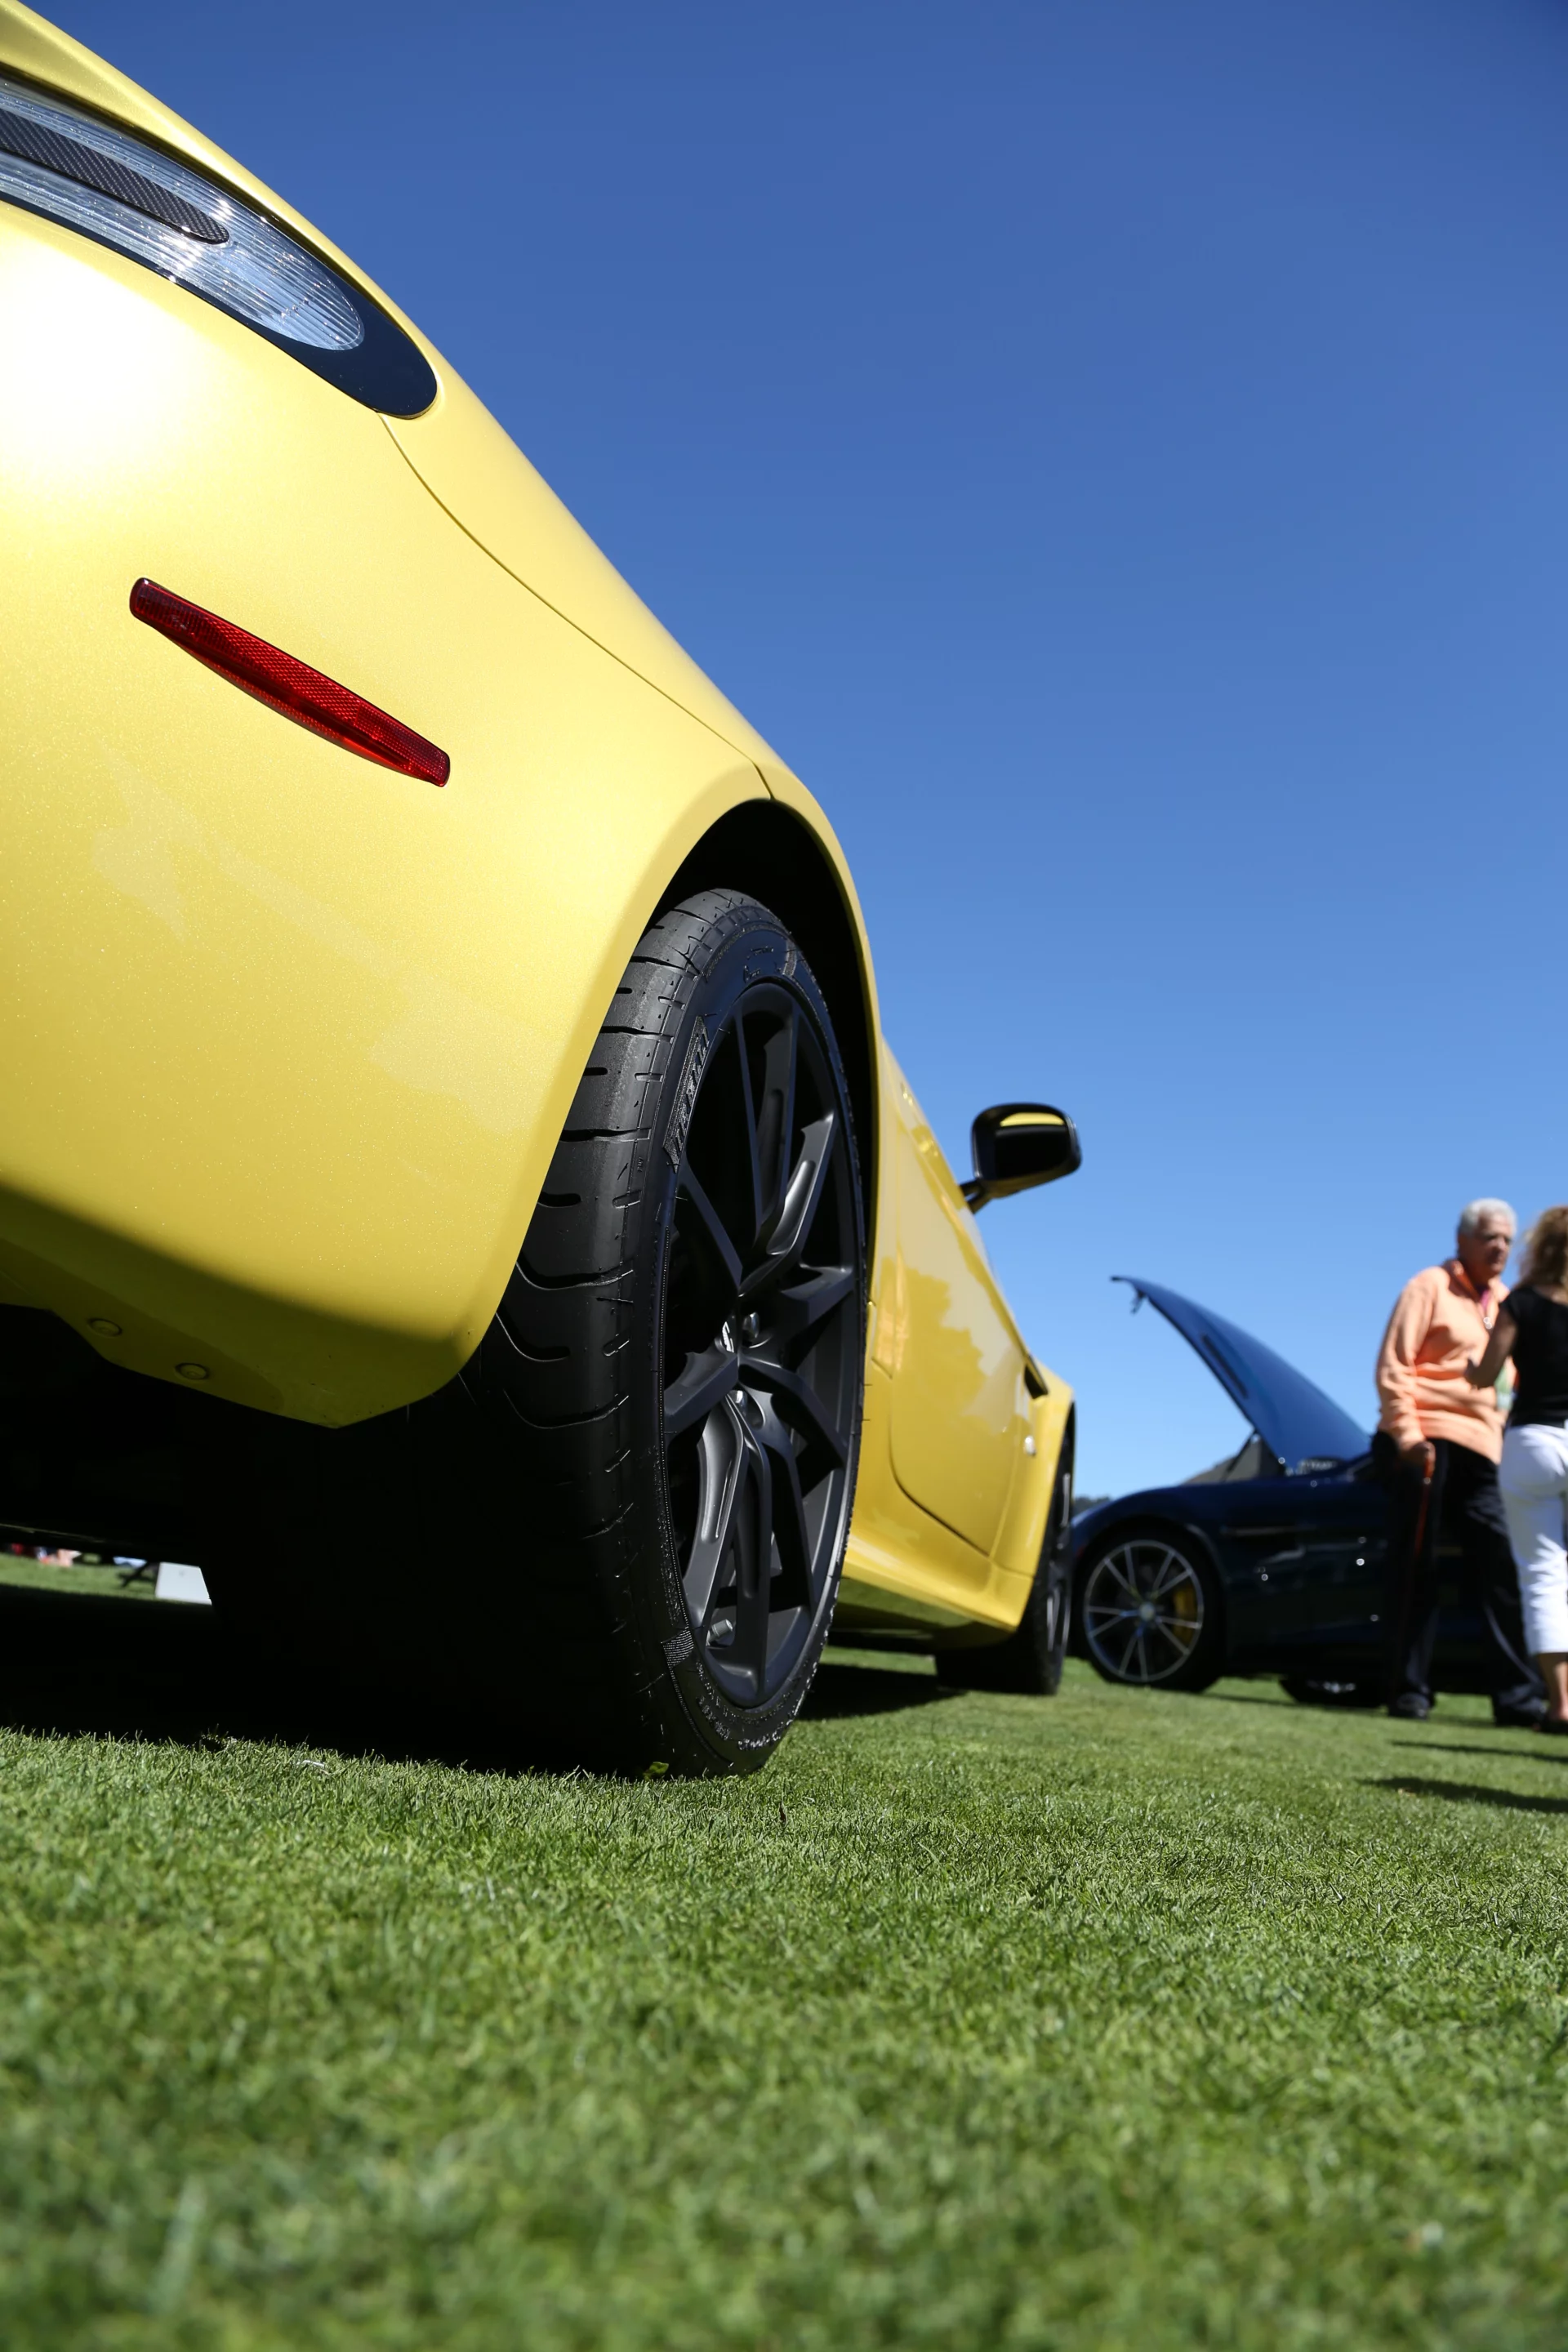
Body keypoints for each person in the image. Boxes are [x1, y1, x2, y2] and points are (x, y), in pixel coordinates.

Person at [1374, 1200, 1545, 1725]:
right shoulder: (1428, 1285)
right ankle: (1409, 1691)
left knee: (1501, 1565)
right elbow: (1395, 1364)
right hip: (1426, 1437)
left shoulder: (1509, 1304)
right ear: (1463, 1239)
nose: (1500, 1248)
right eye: (1491, 1237)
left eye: (1508, 1240)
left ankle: (1518, 1699)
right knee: (1418, 1562)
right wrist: (1407, 1435)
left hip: (1486, 1448)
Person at [1466, 1207, 1568, 1733]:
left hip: (1534, 1441)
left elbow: (1487, 1371)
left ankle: (1560, 1705)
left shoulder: (1521, 1303)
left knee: (1544, 1574)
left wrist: (1472, 1372)